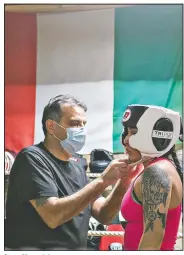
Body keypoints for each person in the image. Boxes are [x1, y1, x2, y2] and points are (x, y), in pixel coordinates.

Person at [5, 94, 136, 250]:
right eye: (74, 123)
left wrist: (124, 182)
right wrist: (103, 180)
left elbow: (104, 215)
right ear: (51, 126)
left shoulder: (77, 166)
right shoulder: (32, 159)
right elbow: (52, 215)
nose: (81, 129)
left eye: (83, 124)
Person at [120, 104, 183, 250]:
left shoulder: (157, 172)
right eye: (127, 132)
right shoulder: (153, 168)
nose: (126, 141)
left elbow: (153, 238)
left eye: (134, 133)